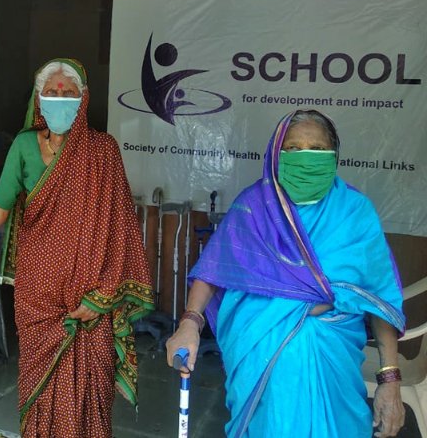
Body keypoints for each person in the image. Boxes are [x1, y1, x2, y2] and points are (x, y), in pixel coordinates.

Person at [0, 58, 155, 437]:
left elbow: (121, 231)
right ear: (39, 99)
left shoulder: (103, 152)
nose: (59, 98)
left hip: (91, 301)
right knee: (39, 397)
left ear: (83, 98)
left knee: (90, 401)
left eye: (67, 92)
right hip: (38, 298)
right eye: (51, 92)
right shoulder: (24, 146)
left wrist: (103, 296)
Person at [166, 109, 406, 438]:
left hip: (335, 364)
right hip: (261, 356)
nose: (305, 157)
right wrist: (189, 323)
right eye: (293, 148)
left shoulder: (355, 211)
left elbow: (377, 297)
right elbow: (215, 269)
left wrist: (390, 379)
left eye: (317, 149)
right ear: (276, 154)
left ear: (335, 155)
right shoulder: (254, 207)